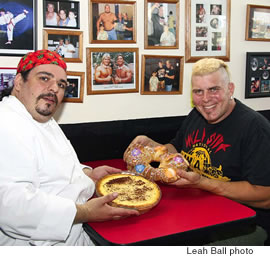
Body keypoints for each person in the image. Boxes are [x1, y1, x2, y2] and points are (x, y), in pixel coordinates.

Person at [0, 49, 139, 246]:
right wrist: (86, 212)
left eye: (61, 84)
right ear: (19, 82)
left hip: (74, 235)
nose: (54, 88)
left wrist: (88, 173)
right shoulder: (7, 123)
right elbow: (12, 207)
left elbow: (54, 163)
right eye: (44, 78)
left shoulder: (39, 116)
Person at [126, 58, 270, 245]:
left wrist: (203, 183)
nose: (205, 99)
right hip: (199, 210)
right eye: (198, 92)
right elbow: (176, 148)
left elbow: (265, 196)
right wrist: (152, 145)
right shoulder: (197, 115)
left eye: (213, 89)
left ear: (230, 89)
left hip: (245, 225)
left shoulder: (255, 129)